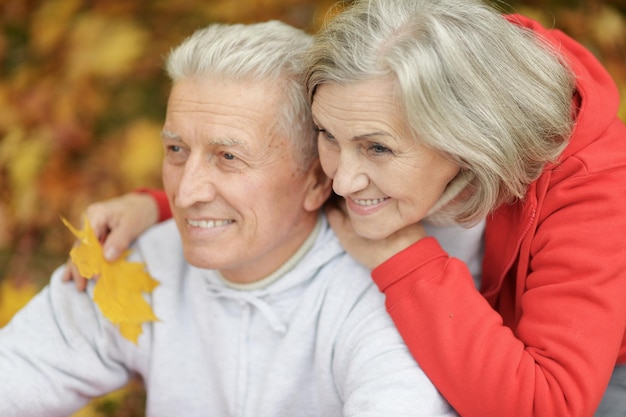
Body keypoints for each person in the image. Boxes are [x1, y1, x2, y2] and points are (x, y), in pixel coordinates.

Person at [70, 0, 626, 416]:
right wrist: (166, 206)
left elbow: (546, 402)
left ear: (468, 144)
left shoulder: (593, 191)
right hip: (457, 337)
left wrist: (405, 256)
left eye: (378, 148)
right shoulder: (377, 70)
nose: (341, 176)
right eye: (328, 135)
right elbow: (271, 151)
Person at [0, 20, 463, 417]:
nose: (185, 192)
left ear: (317, 181)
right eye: (176, 150)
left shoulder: (380, 299)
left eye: (228, 157)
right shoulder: (138, 260)